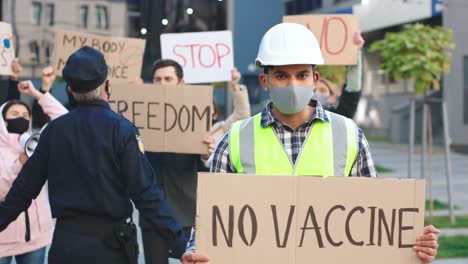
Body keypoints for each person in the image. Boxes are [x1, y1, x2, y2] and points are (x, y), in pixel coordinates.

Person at [181, 23, 440, 264]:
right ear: (265, 81)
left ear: (315, 80)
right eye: (281, 76)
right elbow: (210, 218)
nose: (293, 85)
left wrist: (412, 247)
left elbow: (376, 221)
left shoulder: (349, 134)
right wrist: (195, 249)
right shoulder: (235, 138)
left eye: (302, 75)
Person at [0, 46, 188, 264]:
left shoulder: (53, 131)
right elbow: (146, 193)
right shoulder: (122, 130)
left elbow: (23, 191)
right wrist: (181, 245)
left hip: (65, 245)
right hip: (111, 247)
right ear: (107, 85)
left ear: (70, 90)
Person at [140, 59, 250, 264]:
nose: (162, 83)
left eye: (168, 78)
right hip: (152, 214)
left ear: (181, 83)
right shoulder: (143, 116)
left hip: (187, 213)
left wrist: (206, 154)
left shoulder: (195, 117)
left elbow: (240, 118)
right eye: (157, 79)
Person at [0, 81, 67, 264]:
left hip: (36, 239)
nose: (20, 118)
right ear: (3, 120)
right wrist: (19, 165)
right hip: (3, 240)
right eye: (14, 114)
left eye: (25, 115)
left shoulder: (37, 143)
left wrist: (37, 94)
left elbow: (64, 120)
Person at [314, 32, 364, 119]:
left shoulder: (339, 118)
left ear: (332, 98)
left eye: (322, 90)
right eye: (313, 90)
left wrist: (355, 53)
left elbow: (353, 89)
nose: (316, 94)